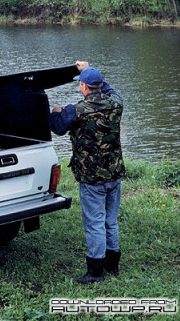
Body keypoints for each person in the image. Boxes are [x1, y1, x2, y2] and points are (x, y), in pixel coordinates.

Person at [50, 61, 125, 284]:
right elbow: (109, 90)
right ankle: (113, 266)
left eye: (80, 84)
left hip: (91, 178)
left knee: (94, 223)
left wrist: (55, 113)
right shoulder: (116, 103)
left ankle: (95, 271)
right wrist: (88, 71)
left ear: (83, 86)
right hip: (114, 174)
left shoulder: (76, 111)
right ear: (100, 85)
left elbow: (58, 128)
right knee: (110, 220)